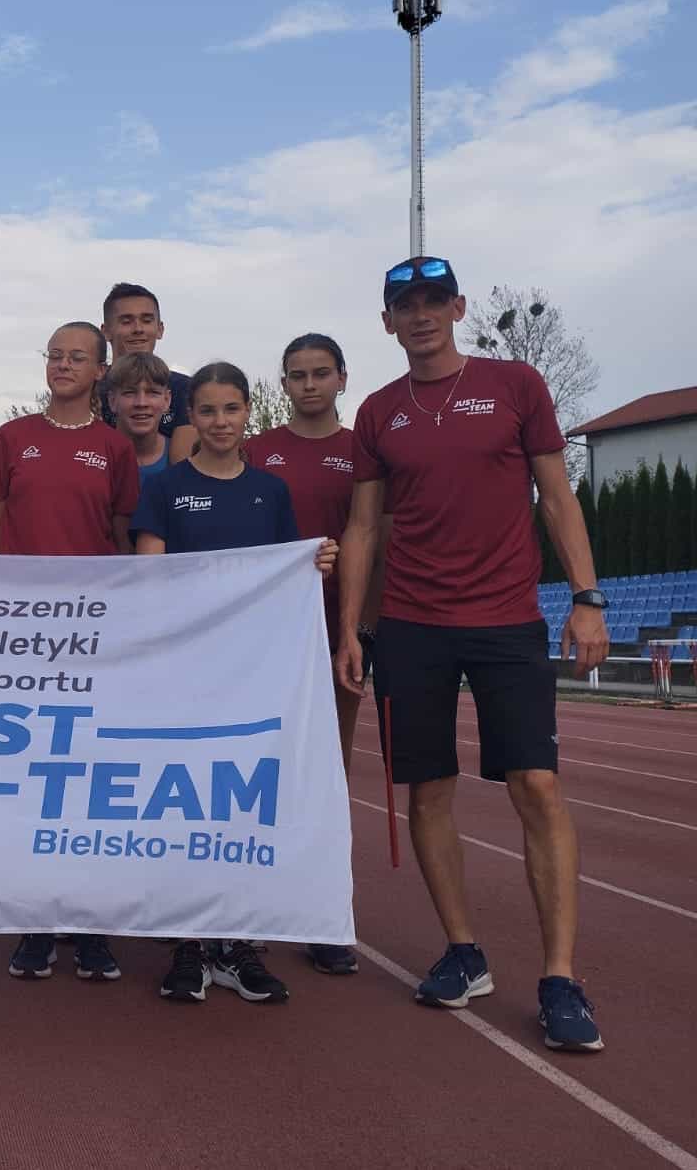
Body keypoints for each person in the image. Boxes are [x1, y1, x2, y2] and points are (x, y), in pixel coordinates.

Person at [334, 255, 610, 1053]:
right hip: (414, 624)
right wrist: (352, 626)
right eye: (402, 305)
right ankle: (463, 952)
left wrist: (587, 598)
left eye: (432, 301)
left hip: (506, 620)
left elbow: (558, 497)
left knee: (537, 785)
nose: (419, 315)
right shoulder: (380, 413)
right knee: (427, 791)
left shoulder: (517, 385)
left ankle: (559, 979)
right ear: (386, 322)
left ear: (456, 307)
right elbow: (362, 527)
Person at [133, 361, 338, 1005]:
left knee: (243, 808)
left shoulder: (271, 492)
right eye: (207, 411)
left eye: (231, 410)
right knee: (186, 804)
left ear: (250, 411)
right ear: (190, 418)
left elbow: (286, 579)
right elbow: (148, 582)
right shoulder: (166, 489)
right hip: (186, 677)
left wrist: (316, 565)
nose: (219, 422)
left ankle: (240, 943)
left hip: (253, 677)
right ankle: (191, 945)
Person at [0, 320, 138, 983]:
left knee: (87, 780)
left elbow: (125, 539)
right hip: (23, 634)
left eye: (77, 357)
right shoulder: (14, 437)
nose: (63, 365)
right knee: (31, 776)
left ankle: (90, 922)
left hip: (93, 635)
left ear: (101, 369)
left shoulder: (114, 447)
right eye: (54, 355)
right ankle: (36, 921)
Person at [244, 332, 386, 976]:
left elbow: (374, 535)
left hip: (336, 634)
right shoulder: (255, 450)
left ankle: (323, 915)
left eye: (320, 373)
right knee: (253, 773)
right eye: (296, 374)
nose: (308, 385)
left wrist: (363, 625)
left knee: (326, 776)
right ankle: (246, 908)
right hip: (260, 640)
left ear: (342, 379)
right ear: (284, 382)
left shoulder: (363, 449)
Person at [99, 283, 194, 461]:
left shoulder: (187, 389)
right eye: (126, 321)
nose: (138, 329)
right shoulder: (91, 389)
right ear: (106, 331)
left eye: (147, 320)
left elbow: (182, 471)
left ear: (160, 329)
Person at [106, 351, 175, 492]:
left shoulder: (182, 458)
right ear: (112, 401)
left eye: (152, 393)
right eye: (129, 393)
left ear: (167, 400)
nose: (141, 403)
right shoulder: (94, 459)